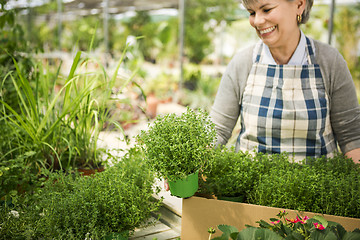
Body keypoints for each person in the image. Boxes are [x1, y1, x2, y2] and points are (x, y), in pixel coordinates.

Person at [210, 0, 360, 163]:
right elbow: (217, 131)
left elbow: (351, 136)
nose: (257, 21)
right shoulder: (243, 63)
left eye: (266, 10)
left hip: (317, 187)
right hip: (250, 186)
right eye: (252, 13)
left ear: (299, 5)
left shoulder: (329, 61)